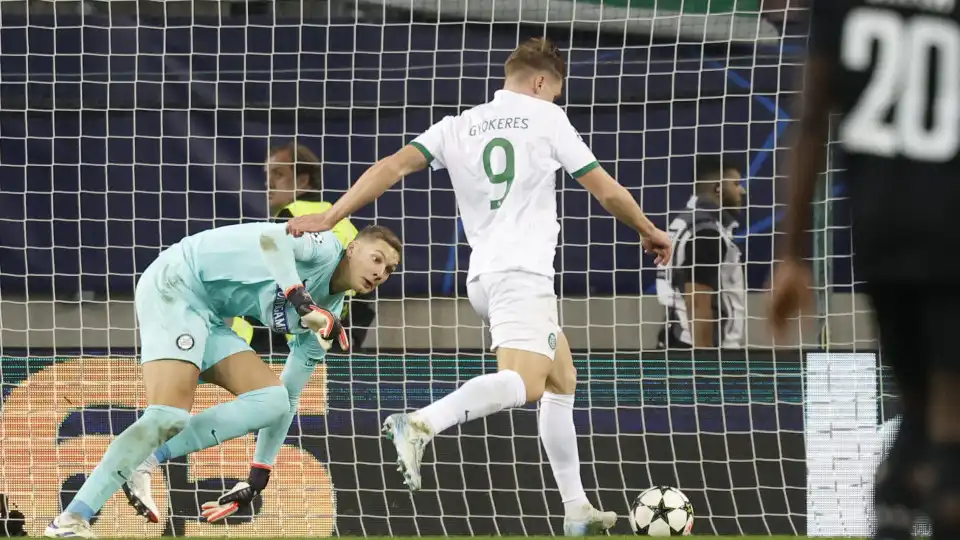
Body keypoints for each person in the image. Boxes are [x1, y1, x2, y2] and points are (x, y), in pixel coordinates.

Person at [285, 36, 671, 535]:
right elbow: (606, 189)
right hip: (521, 275)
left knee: (562, 379)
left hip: (484, 277)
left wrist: (333, 214)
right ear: (539, 83)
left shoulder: (457, 126)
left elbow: (390, 168)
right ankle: (420, 423)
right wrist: (650, 230)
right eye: (555, 92)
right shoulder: (547, 118)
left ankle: (576, 509)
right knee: (529, 385)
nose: (555, 101)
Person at [46, 223, 401, 538]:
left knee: (272, 400)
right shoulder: (323, 247)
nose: (381, 272)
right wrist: (303, 303)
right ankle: (72, 519)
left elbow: (289, 398)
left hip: (210, 315)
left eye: (389, 269)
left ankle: (145, 459)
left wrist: (257, 476)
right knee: (167, 415)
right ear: (352, 248)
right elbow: (271, 239)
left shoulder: (330, 315)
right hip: (178, 281)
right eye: (377, 259)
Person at [769, 1, 960, 539]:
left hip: (880, 231)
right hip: (950, 227)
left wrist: (792, 256)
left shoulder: (842, 10)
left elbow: (811, 121)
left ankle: (894, 502)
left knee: (917, 403)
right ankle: (929, 495)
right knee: (947, 415)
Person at [230, 142, 375, 353]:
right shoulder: (344, 223)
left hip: (285, 343)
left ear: (303, 180)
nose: (269, 183)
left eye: (278, 174)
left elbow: (269, 283)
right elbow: (365, 294)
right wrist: (350, 337)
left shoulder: (291, 218)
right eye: (267, 174)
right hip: (332, 340)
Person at [656, 156, 746, 349]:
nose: (742, 191)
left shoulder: (686, 221)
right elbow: (697, 301)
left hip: (677, 337)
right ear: (718, 187)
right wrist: (706, 368)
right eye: (736, 183)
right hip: (697, 350)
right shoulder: (706, 231)